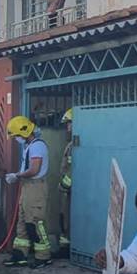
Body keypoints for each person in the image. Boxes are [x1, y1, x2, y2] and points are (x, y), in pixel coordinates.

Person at [4, 116, 51, 269]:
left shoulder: (37, 146)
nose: (15, 138)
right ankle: (20, 254)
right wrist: (18, 176)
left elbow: (34, 170)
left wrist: (16, 176)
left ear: (23, 133)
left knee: (35, 223)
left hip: (35, 187)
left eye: (16, 136)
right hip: (28, 187)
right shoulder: (30, 146)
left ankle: (43, 257)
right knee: (22, 222)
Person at [57, 108, 73, 256]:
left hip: (71, 190)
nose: (67, 127)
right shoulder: (70, 143)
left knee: (70, 218)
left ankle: (70, 249)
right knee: (64, 217)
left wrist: (64, 184)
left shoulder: (75, 145)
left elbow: (73, 169)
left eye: (69, 123)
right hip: (67, 191)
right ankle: (64, 247)